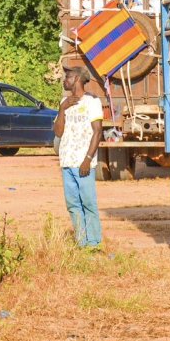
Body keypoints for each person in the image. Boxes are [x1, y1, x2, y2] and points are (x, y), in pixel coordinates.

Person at [53, 65, 103, 250]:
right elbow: (58, 132)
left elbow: (97, 132)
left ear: (77, 79)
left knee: (88, 203)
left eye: (67, 77)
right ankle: (81, 242)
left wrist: (88, 159)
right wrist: (62, 109)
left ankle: (94, 244)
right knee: (73, 205)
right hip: (67, 162)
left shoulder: (92, 102)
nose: (64, 80)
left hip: (83, 163)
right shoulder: (64, 102)